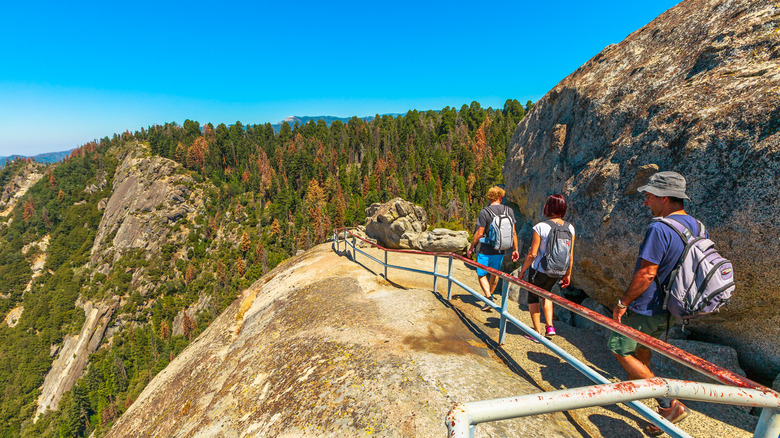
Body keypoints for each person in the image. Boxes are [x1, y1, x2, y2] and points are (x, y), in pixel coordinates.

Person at [608, 171, 700, 435]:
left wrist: (623, 302)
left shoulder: (659, 228)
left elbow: (647, 273)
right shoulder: (696, 226)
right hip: (673, 307)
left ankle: (667, 404)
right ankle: (639, 389)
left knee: (617, 347)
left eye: (649, 196)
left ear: (666, 197)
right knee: (642, 348)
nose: (645, 201)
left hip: (647, 307)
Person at [517, 195, 575, 342]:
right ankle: (550, 327)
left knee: (533, 298)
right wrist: (568, 274)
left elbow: (532, 253)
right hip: (557, 271)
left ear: (548, 207)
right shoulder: (570, 228)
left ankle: (537, 333)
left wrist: (523, 270)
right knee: (547, 295)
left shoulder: (541, 227)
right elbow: (570, 254)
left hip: (539, 270)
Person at [466, 187, 520, 311]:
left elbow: (479, 233)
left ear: (490, 198)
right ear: (500, 197)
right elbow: (513, 233)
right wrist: (515, 249)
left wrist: (472, 247)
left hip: (486, 249)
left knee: (481, 273)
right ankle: (490, 296)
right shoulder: (509, 211)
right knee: (494, 274)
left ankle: (488, 297)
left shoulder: (485, 212)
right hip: (501, 249)